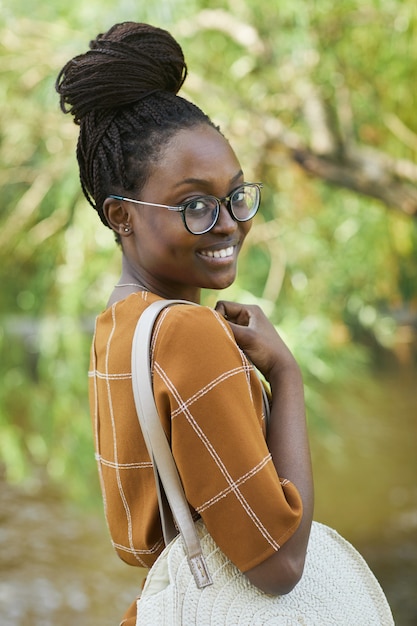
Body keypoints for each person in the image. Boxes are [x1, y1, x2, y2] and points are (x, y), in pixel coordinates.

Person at [56, 22, 314, 625]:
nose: (227, 223)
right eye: (194, 204)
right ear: (122, 216)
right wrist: (286, 373)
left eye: (236, 196)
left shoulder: (119, 325)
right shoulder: (189, 334)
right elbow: (280, 564)